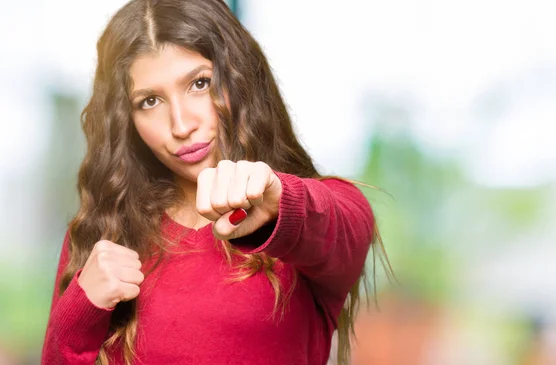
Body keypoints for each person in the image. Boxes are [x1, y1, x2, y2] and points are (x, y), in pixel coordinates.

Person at [41, 0, 390, 364]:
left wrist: (278, 201)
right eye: (149, 101)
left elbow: (351, 219)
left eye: (199, 83)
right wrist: (82, 310)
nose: (181, 124)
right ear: (125, 120)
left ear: (239, 77)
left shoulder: (303, 224)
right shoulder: (105, 233)